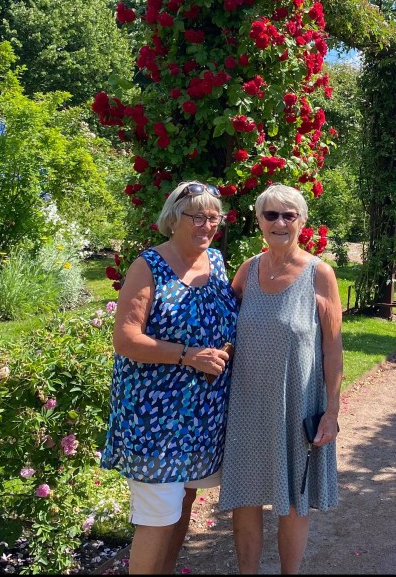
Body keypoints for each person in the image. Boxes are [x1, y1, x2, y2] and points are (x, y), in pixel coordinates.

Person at [102, 181, 238, 575]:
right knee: (158, 515)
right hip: (155, 418)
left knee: (183, 504)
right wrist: (188, 356)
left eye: (214, 218)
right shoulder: (149, 266)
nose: (207, 225)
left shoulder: (216, 262)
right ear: (174, 219)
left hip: (201, 417)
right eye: (198, 217)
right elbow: (126, 338)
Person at [219, 184, 343, 574]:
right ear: (259, 221)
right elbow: (226, 330)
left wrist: (331, 413)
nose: (280, 222)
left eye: (289, 215)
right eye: (271, 214)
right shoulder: (248, 270)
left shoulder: (320, 274)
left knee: (293, 501)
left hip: (297, 404)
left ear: (302, 222)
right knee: (245, 498)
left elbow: (333, 349)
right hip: (247, 404)